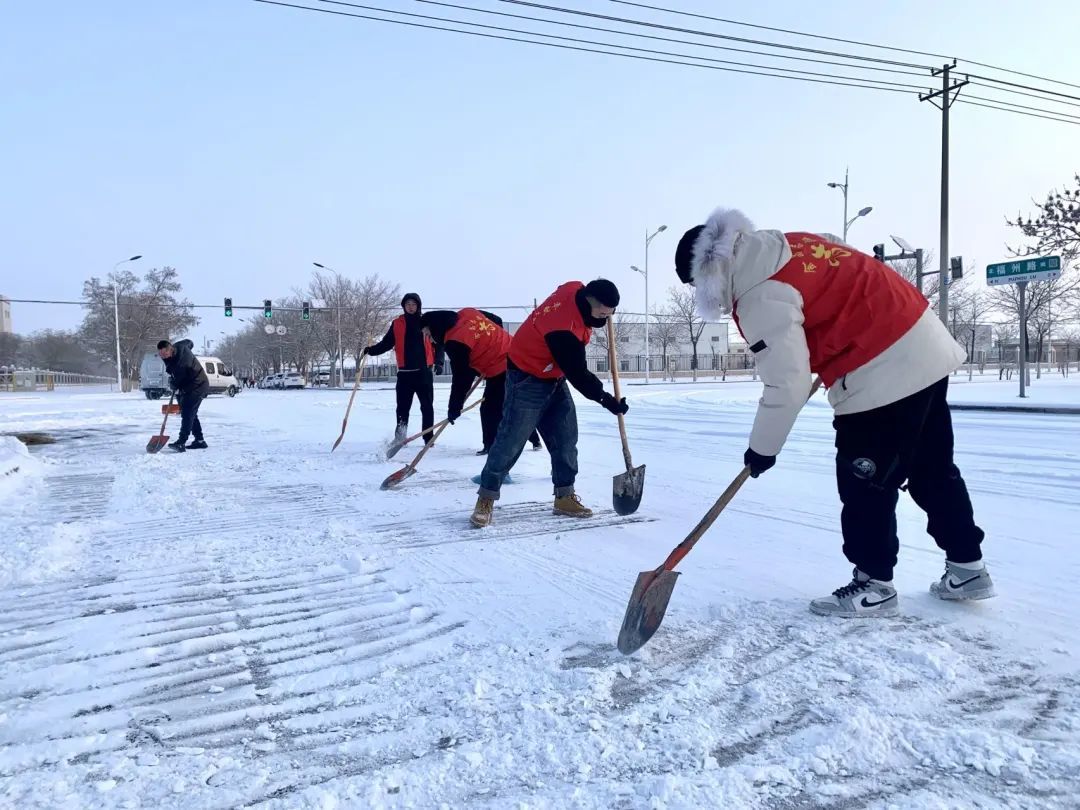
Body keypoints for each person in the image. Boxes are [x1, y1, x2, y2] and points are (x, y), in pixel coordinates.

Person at [674, 208, 993, 617]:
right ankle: (968, 567)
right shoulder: (788, 243)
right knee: (932, 467)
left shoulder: (756, 291)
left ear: (705, 275)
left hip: (878, 363)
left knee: (865, 481)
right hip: (923, 338)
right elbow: (841, 256)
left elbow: (785, 383)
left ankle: (873, 584)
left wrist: (761, 450)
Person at [470, 279, 629, 528]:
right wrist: (606, 399)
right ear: (589, 302)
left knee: (566, 438)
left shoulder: (575, 288)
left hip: (552, 375)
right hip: (526, 376)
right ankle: (485, 498)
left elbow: (566, 293)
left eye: (610, 315)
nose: (605, 319)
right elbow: (578, 373)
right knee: (510, 440)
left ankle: (564, 496)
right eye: (602, 314)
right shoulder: (562, 328)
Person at [420, 308, 542, 455]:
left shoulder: (455, 341)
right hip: (513, 354)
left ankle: (492, 446)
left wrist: (454, 407)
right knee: (505, 405)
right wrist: (495, 341)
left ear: (435, 327)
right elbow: (496, 319)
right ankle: (530, 440)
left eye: (427, 333)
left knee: (492, 409)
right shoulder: (467, 312)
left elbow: (462, 377)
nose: (429, 339)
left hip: (503, 366)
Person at [365, 293, 437, 445]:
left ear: (418, 306)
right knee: (402, 408)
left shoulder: (427, 322)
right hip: (405, 374)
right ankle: (400, 436)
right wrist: (371, 350)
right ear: (404, 306)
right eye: (408, 304)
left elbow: (438, 344)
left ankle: (428, 437)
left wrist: (440, 362)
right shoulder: (397, 323)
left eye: (413, 304)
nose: (410, 307)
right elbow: (387, 343)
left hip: (424, 372)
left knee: (427, 406)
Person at [157, 338, 209, 452]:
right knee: (191, 414)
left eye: (164, 353)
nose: (163, 356)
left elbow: (178, 382)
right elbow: (190, 342)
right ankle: (200, 441)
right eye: (160, 354)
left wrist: (173, 383)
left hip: (197, 386)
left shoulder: (180, 363)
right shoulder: (180, 346)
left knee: (187, 413)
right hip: (190, 385)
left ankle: (181, 442)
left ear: (170, 349)